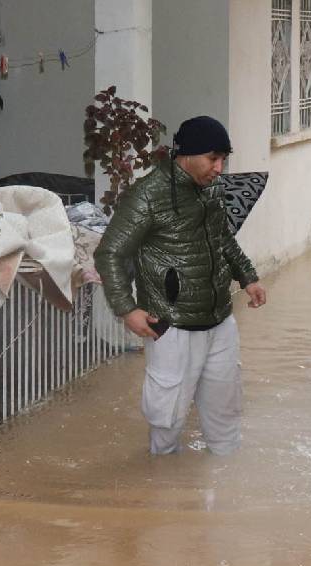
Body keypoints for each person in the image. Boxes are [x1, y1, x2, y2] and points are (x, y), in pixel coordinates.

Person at [94, 115, 268, 456]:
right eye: (213, 159)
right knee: (167, 419)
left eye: (223, 160)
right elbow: (110, 253)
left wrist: (248, 277)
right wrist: (126, 309)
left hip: (220, 320)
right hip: (170, 324)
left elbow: (223, 239)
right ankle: (162, 491)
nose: (219, 168)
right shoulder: (146, 195)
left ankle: (222, 490)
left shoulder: (213, 189)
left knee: (225, 412)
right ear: (185, 155)